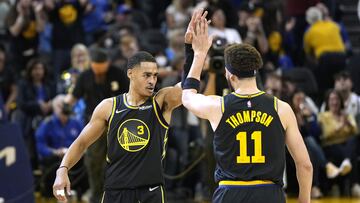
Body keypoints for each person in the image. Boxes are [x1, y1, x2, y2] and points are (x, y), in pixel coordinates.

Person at [53, 8, 208, 203]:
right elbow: (82, 142)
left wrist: (191, 50)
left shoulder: (161, 101)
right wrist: (62, 169)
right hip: (115, 191)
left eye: (154, 75)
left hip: (150, 191)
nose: (152, 80)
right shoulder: (109, 106)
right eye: (146, 75)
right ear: (130, 74)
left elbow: (187, 86)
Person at [181, 17, 313, 203]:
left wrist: (197, 53)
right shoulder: (281, 108)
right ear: (256, 70)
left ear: (229, 75)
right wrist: (304, 200)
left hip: (230, 193)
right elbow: (305, 165)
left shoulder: (218, 106)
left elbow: (187, 96)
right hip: (269, 194)